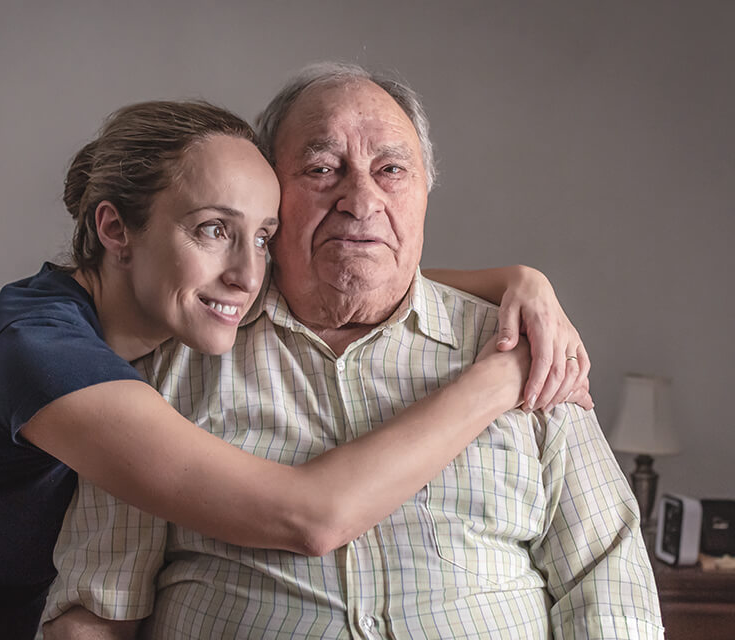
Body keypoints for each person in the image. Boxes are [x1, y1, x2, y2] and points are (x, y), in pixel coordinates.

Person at [0, 100, 585, 640]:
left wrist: (519, 283)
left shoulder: (146, 329)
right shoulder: (40, 352)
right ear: (114, 227)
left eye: (264, 236)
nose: (246, 274)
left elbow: (362, 277)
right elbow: (310, 516)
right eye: (211, 231)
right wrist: (503, 374)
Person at [43, 63, 662, 639]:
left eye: (391, 170)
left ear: (424, 193)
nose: (361, 200)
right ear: (270, 197)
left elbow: (609, 587)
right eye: (321, 169)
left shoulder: (531, 343)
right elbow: (97, 608)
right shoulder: (166, 366)